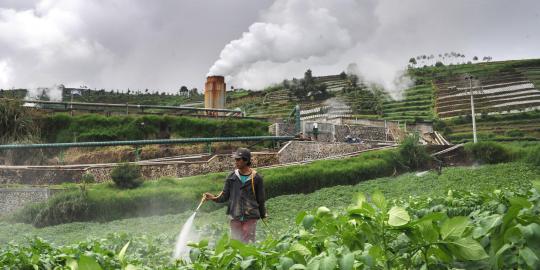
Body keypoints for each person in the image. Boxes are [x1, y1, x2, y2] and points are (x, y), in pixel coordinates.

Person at [204, 148, 267, 243]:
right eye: (235, 159)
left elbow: (261, 199)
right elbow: (224, 196)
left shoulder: (257, 178)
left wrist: (262, 214)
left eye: (238, 159)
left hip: (250, 216)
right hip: (235, 215)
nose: (236, 162)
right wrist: (213, 198)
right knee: (236, 243)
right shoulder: (231, 177)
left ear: (246, 160)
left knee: (248, 242)